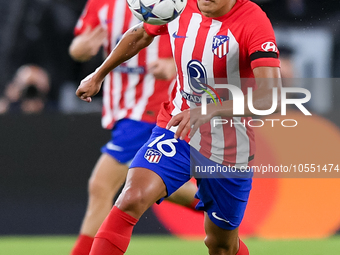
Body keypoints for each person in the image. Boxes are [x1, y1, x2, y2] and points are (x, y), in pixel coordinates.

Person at [76, 0, 282, 254]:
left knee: (220, 245)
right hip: (177, 127)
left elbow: (269, 97)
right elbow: (141, 33)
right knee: (131, 198)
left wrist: (209, 110)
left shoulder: (253, 21)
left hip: (229, 145)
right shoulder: (179, 6)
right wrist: (99, 74)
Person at [68, 1, 198, 255]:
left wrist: (172, 64)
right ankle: (218, 201)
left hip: (151, 107)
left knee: (101, 185)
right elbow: (77, 46)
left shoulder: (173, 3)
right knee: (158, 182)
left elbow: (194, 38)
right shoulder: (100, 3)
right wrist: (81, 49)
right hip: (121, 108)